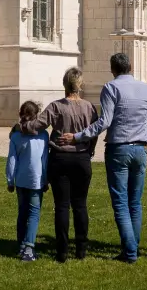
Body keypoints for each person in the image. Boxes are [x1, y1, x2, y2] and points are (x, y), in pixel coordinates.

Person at [60, 52, 147, 264]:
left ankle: (130, 251)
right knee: (135, 202)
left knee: (121, 202)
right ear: (130, 66)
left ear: (112, 69)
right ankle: (131, 247)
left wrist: (78, 137)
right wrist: (145, 141)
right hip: (140, 149)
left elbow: (104, 122)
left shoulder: (112, 88)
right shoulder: (146, 89)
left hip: (119, 149)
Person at [22, 67, 98, 262]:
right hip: (81, 158)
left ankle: (62, 251)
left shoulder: (56, 107)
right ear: (80, 86)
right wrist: (89, 148)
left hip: (60, 159)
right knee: (80, 205)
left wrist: (22, 126)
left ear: (64, 85)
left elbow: (38, 125)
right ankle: (81, 249)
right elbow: (94, 131)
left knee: (62, 206)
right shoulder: (89, 107)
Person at [5, 100, 49, 262]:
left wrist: (10, 180)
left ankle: (22, 245)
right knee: (34, 213)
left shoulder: (16, 136)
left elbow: (12, 160)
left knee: (22, 213)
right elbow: (44, 160)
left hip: (21, 180)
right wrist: (45, 180)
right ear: (36, 116)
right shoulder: (43, 135)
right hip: (36, 179)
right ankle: (29, 247)